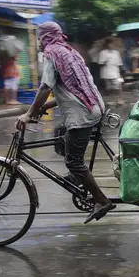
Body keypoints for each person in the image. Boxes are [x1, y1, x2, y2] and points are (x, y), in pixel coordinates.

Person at [16, 21, 115, 224]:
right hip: (93, 105)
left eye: (40, 37)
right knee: (61, 136)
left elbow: (45, 87)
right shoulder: (69, 51)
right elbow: (70, 89)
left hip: (83, 114)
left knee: (74, 161)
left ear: (45, 37)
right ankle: (75, 175)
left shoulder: (52, 54)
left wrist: (29, 113)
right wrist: (44, 107)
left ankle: (101, 200)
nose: (40, 42)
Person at [98, 38, 123, 102]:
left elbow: (119, 63)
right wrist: (104, 62)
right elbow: (100, 64)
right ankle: (111, 101)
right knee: (108, 88)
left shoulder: (116, 53)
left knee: (118, 87)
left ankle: (118, 100)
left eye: (112, 44)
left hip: (116, 73)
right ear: (107, 45)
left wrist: (121, 74)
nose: (110, 45)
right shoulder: (103, 53)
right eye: (109, 44)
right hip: (106, 74)